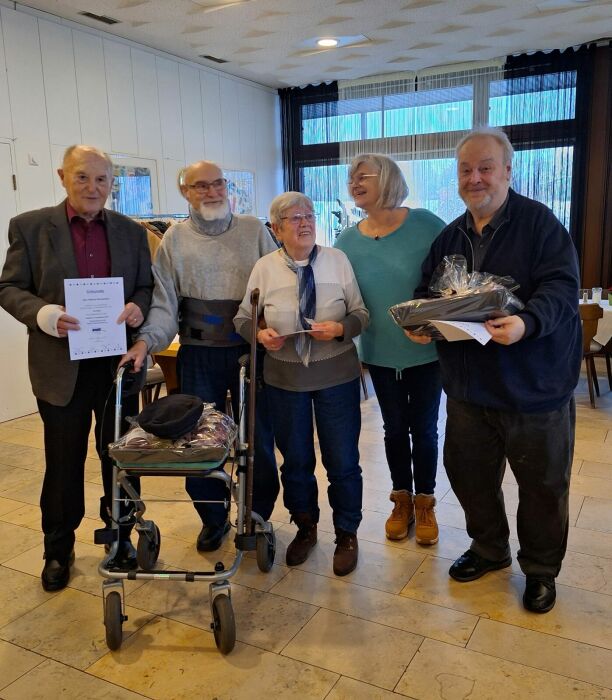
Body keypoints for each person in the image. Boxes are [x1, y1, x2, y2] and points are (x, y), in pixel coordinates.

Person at [406, 127, 581, 613]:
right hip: (467, 390)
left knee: (543, 485)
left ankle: (541, 570)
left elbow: (563, 290)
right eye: (466, 170)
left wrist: (527, 323)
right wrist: (419, 323)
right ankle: (489, 549)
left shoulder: (541, 225)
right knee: (468, 475)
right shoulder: (450, 236)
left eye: (485, 168)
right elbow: (428, 292)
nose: (475, 178)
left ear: (507, 170)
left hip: (535, 389)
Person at [0, 145, 153, 591]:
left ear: (112, 183)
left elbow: (145, 286)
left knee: (121, 458)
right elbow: (9, 287)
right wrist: (45, 315)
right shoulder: (29, 227)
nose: (93, 187)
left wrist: (137, 308)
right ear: (62, 176)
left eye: (102, 179)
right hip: (59, 367)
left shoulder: (130, 231)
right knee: (63, 463)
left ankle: (121, 534)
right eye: (82, 177)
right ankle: (57, 548)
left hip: (116, 366)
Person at [122, 160, 279, 552]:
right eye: (200, 186)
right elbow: (163, 304)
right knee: (196, 440)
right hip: (198, 354)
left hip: (249, 349)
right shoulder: (174, 239)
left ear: (227, 187)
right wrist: (146, 341)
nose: (211, 192)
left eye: (218, 184)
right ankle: (213, 518)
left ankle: (256, 517)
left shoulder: (254, 230)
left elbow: (278, 288)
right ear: (185, 193)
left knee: (256, 439)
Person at [234, 192, 369, 576]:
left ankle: (347, 532)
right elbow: (243, 318)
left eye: (309, 215)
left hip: (336, 375)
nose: (305, 222)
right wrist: (260, 335)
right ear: (276, 229)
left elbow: (361, 313)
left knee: (342, 459)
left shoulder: (338, 260)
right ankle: (306, 527)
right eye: (294, 218)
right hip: (285, 378)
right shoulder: (264, 268)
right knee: (295, 461)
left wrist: (341, 328)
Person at [335, 154, 445, 546]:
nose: (354, 182)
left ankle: (426, 501)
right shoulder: (345, 240)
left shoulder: (427, 224)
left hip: (427, 351)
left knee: (426, 429)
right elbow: (341, 298)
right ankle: (402, 499)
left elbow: (452, 280)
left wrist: (436, 326)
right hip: (379, 352)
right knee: (394, 429)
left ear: (389, 180)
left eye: (364, 175)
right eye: (351, 177)